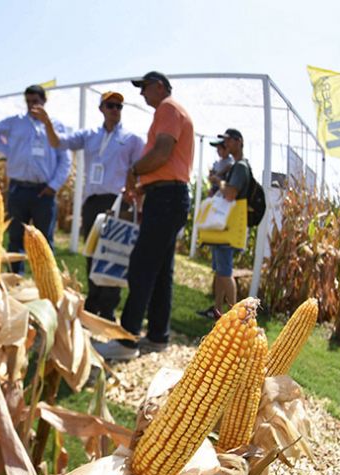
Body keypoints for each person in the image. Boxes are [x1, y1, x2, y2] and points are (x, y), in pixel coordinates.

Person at [99, 71, 194, 362]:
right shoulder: (174, 111)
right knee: (161, 269)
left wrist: (134, 171)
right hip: (168, 196)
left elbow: (163, 152)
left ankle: (126, 340)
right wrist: (143, 187)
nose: (141, 94)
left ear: (160, 86)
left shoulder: (168, 108)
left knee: (141, 265)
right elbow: (168, 163)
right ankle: (158, 335)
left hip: (166, 199)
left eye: (144, 88)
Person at [32, 91, 145, 320]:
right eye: (111, 105)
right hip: (92, 202)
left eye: (119, 107)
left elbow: (140, 174)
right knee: (93, 252)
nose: (115, 110)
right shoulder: (89, 135)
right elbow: (58, 142)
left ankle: (109, 308)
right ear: (101, 108)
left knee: (114, 255)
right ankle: (93, 304)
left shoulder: (132, 139)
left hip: (118, 202)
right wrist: (47, 124)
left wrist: (138, 206)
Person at [0, 84, 72, 272]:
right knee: (16, 237)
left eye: (36, 101)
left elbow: (65, 160)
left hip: (44, 191)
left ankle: (47, 282)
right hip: (18, 189)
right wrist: (9, 150)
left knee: (44, 240)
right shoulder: (16, 122)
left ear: (44, 101)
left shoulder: (56, 126)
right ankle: (16, 278)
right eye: (28, 102)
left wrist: (54, 186)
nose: (32, 105)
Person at [196, 129, 252, 320]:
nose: (225, 144)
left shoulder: (240, 167)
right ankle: (218, 310)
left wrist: (217, 181)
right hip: (223, 228)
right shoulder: (237, 166)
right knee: (220, 272)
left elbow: (230, 194)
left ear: (239, 141)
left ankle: (235, 317)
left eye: (228, 141)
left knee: (226, 273)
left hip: (228, 227)